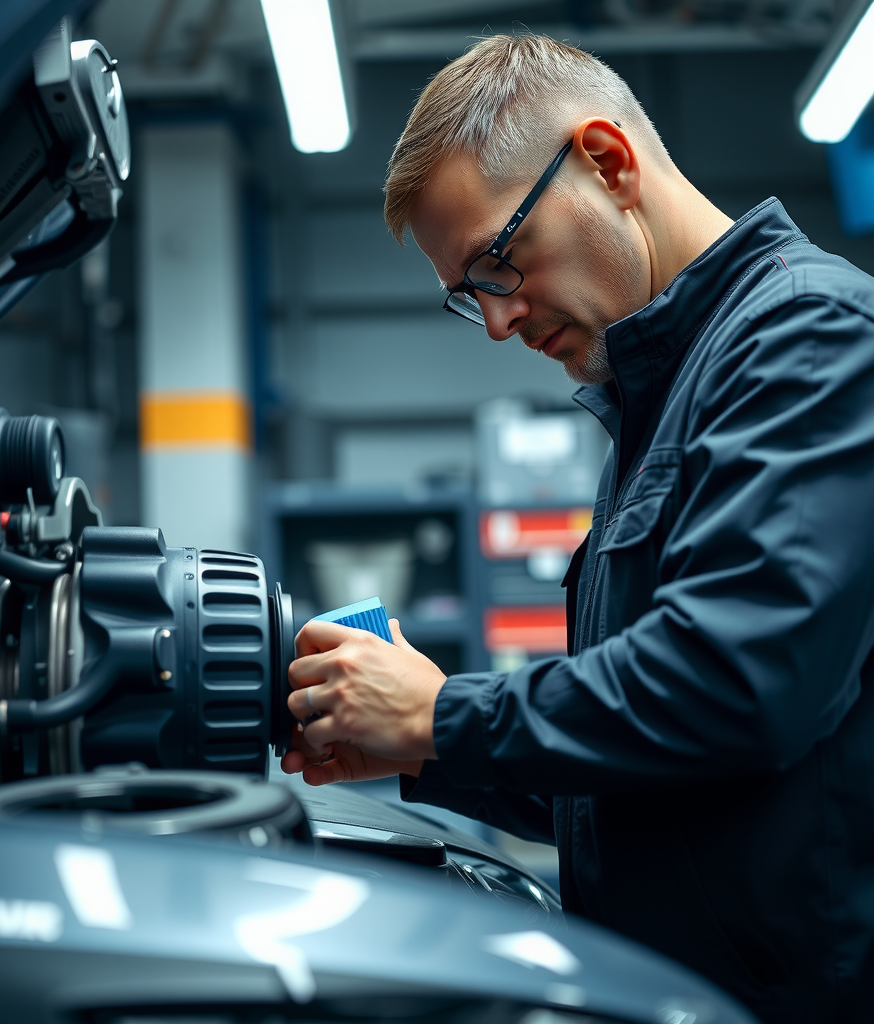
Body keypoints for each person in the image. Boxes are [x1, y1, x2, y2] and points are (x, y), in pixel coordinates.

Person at [280, 33, 874, 1024]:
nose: (501, 322)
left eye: (498, 265)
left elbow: (741, 685)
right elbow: (631, 782)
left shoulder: (809, 341)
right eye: (470, 300)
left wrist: (442, 713)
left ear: (606, 161)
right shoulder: (654, 406)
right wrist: (421, 749)